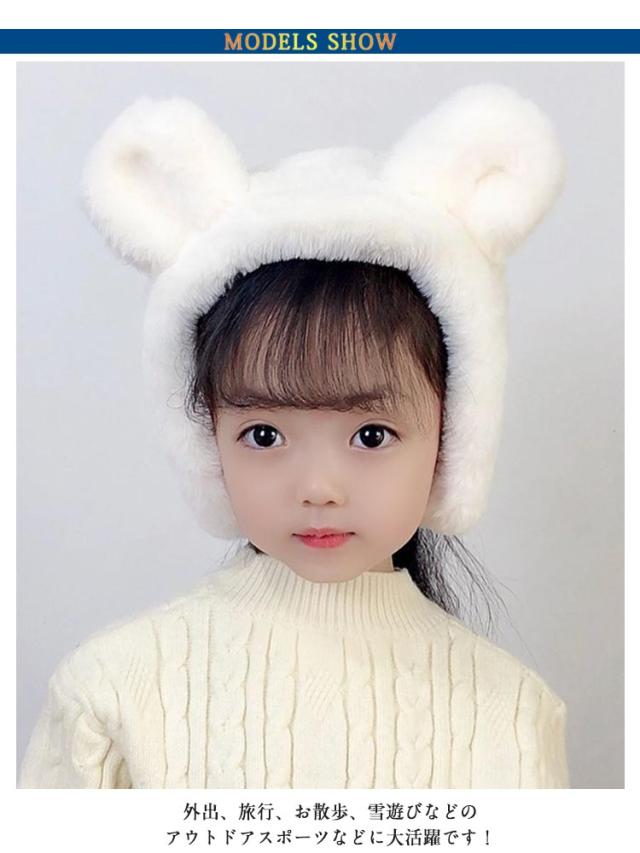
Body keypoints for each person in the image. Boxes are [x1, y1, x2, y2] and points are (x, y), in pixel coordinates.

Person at [19, 82, 570, 789]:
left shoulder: (512, 714)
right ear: (205, 435)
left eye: (371, 434)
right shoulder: (110, 693)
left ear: (451, 433)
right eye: (263, 434)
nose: (317, 487)